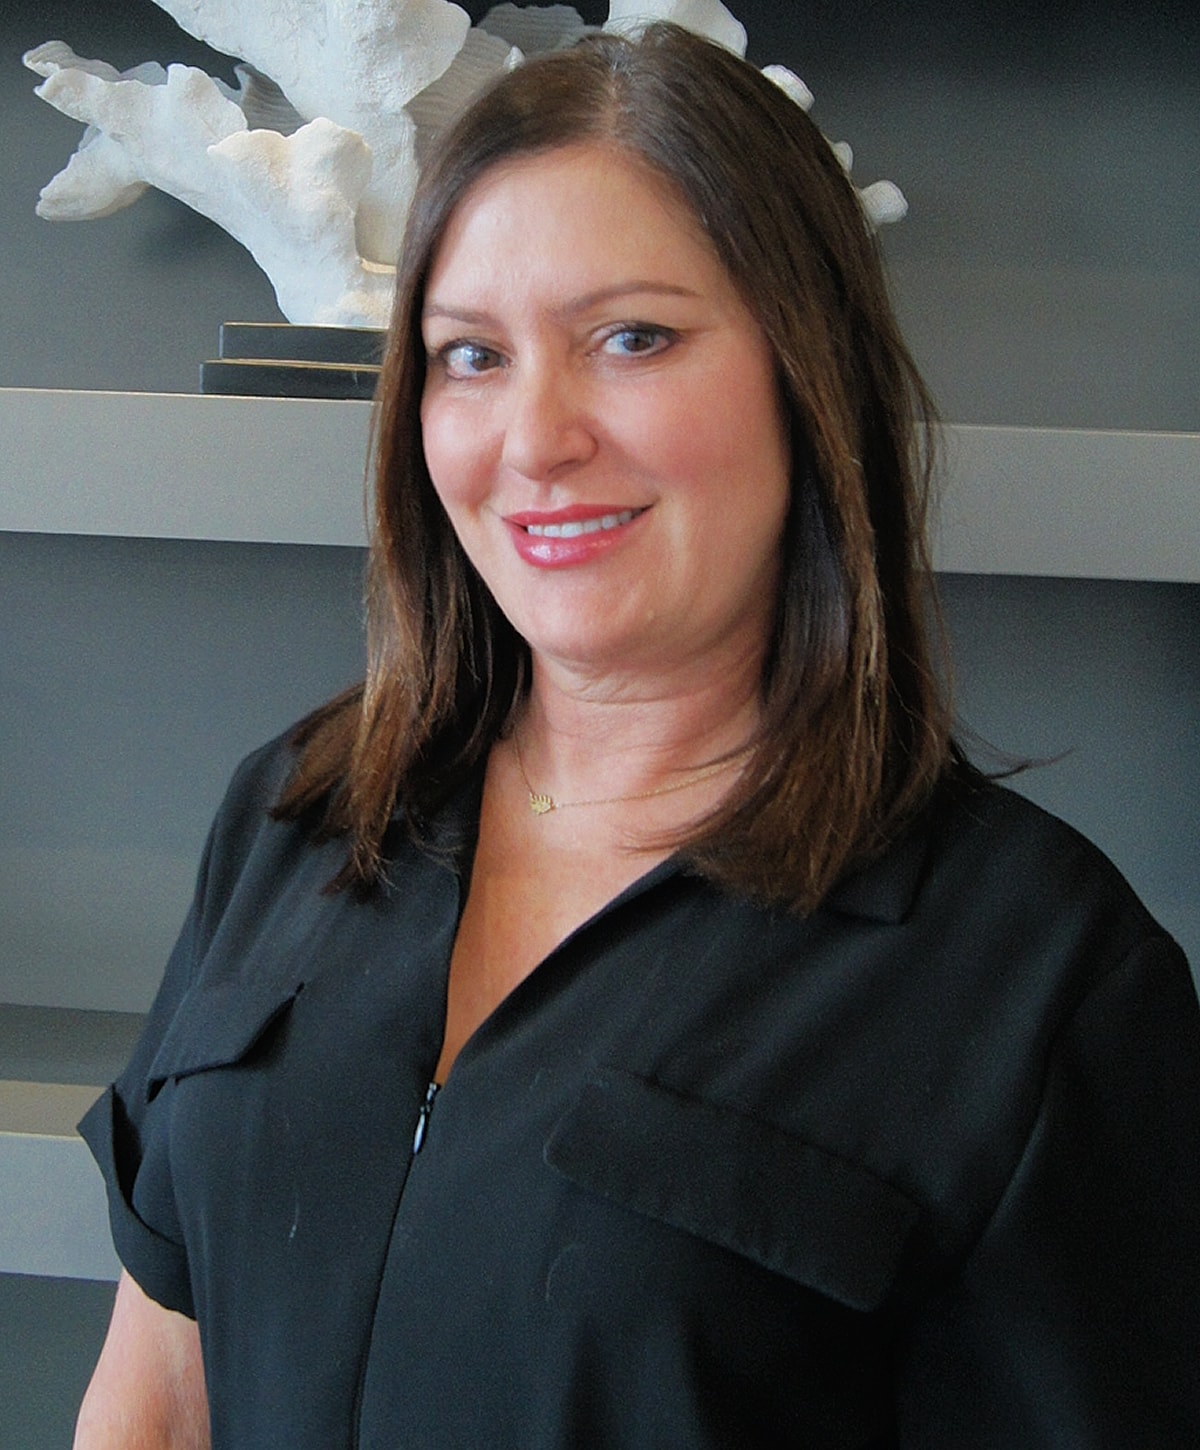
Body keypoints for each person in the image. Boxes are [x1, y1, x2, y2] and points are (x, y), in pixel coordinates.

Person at [74, 23, 1199, 1449]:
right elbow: (157, 1391)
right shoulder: (298, 817)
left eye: (631, 338)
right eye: (469, 354)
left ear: (811, 371)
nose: (535, 436)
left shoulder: (1041, 980)